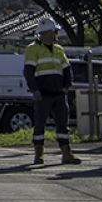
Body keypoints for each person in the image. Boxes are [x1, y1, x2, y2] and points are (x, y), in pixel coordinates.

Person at [23, 16, 80, 166]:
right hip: (42, 94)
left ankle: (66, 153)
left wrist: (66, 87)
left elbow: (67, 70)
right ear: (41, 34)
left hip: (59, 94)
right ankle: (39, 154)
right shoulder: (32, 49)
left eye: (53, 32)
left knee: (62, 125)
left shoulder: (59, 49)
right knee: (40, 124)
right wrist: (35, 90)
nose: (51, 35)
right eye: (48, 33)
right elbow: (29, 72)